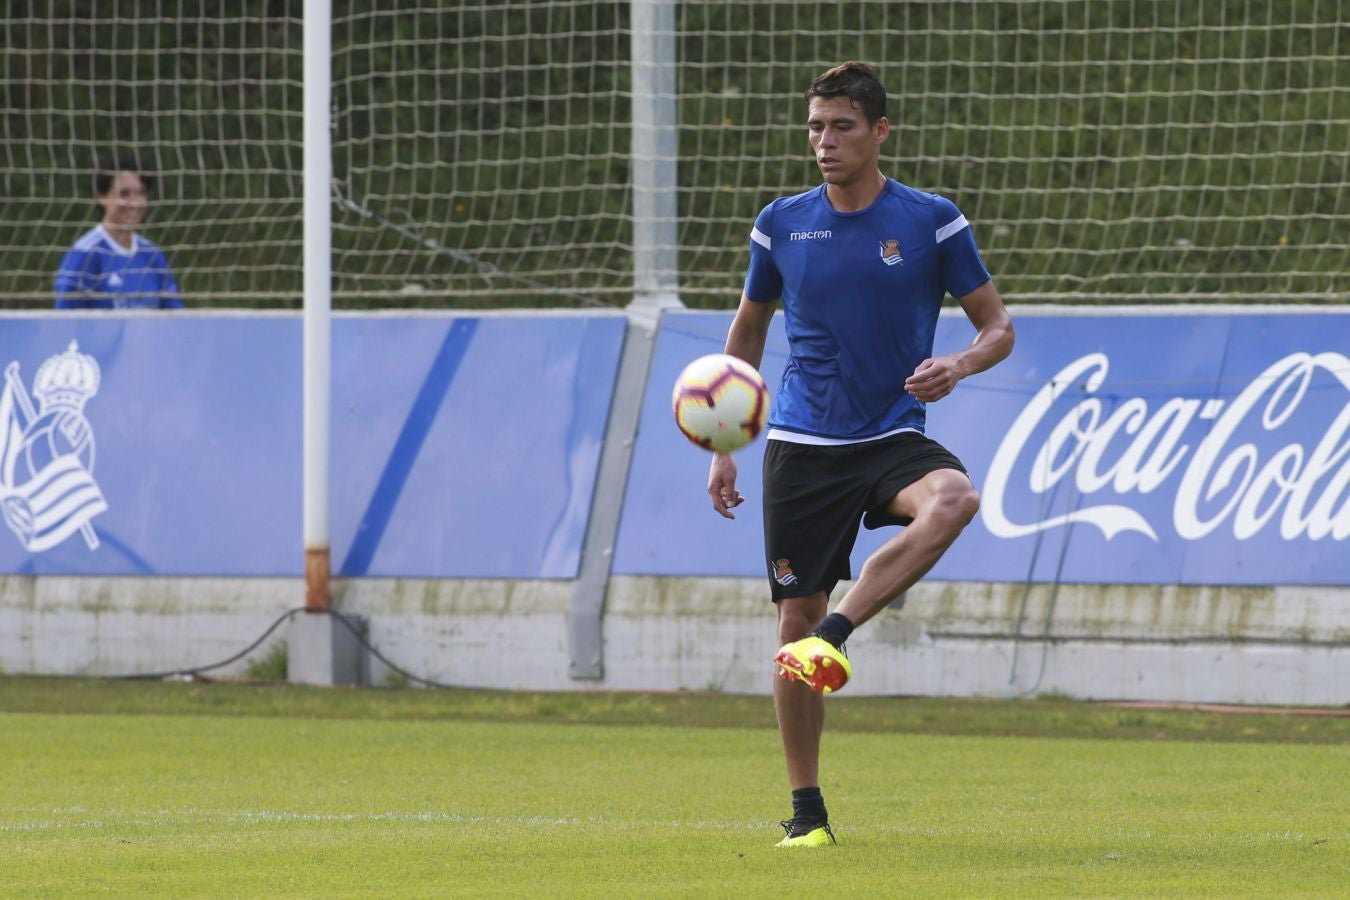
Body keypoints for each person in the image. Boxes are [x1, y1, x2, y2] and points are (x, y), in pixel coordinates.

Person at [707, 62, 1015, 848]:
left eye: (841, 126)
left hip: (891, 436)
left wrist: (960, 365)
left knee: (956, 499)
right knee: (790, 618)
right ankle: (807, 815)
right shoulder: (781, 223)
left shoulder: (932, 221)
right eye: (815, 126)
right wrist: (724, 446)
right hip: (803, 444)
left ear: (879, 131)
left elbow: (997, 327)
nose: (824, 141)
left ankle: (836, 638)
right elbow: (745, 337)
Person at [54, 156, 182, 309]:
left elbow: (174, 319)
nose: (134, 203)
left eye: (140, 193)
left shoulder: (152, 254)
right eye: (124, 194)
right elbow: (66, 323)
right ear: (102, 197)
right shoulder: (86, 254)